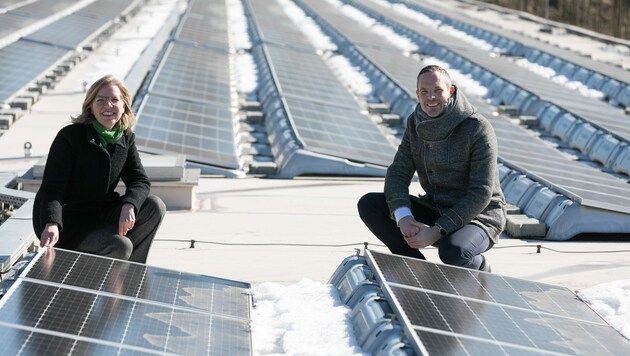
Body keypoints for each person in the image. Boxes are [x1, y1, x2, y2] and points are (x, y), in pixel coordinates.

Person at [358, 65, 506, 271]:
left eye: (438, 90)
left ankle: (481, 270)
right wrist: (404, 218)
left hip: (478, 216)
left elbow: (481, 193)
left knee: (453, 251)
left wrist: (436, 231)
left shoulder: (477, 128)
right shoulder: (415, 123)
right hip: (436, 206)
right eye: (424, 92)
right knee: (370, 205)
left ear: (451, 91)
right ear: (417, 94)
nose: (431, 98)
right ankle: (417, 271)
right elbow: (398, 172)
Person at [33, 75, 166, 263]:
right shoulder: (71, 137)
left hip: (100, 212)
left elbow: (139, 180)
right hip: (68, 219)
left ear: (124, 105)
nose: (108, 106)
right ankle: (107, 270)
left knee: (154, 206)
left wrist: (130, 204)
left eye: (114, 100)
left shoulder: (125, 138)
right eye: (100, 100)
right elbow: (52, 188)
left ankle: (130, 271)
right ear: (91, 105)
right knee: (120, 245)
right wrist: (52, 222)